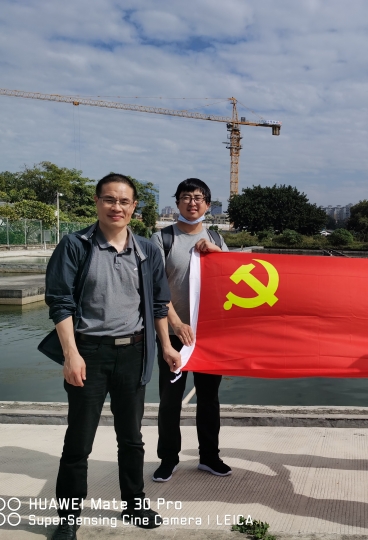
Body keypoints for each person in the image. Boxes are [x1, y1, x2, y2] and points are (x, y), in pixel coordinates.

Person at [44, 174, 181, 540]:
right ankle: (68, 517)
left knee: (132, 437)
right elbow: (60, 303)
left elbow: (158, 304)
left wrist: (166, 346)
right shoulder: (75, 245)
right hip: (88, 352)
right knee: (79, 441)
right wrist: (71, 355)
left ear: (134, 207)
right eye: (109, 199)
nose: (116, 207)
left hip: (133, 353)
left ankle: (134, 503)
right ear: (97, 202)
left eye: (124, 201)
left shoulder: (147, 250)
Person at [150, 178, 231, 482]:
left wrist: (216, 252)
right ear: (177, 203)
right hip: (174, 335)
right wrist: (176, 323)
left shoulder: (215, 238)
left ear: (208, 205)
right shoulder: (163, 239)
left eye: (198, 198)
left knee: (209, 398)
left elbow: (232, 278)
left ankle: (209, 456)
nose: (192, 203)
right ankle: (168, 458)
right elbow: (156, 289)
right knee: (170, 399)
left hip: (208, 335)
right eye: (186, 197)